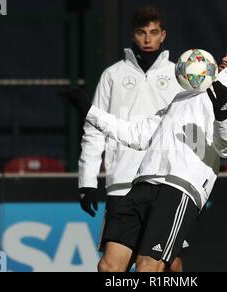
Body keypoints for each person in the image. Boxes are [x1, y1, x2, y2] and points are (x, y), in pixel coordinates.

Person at [64, 41, 227, 272]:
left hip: (179, 188)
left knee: (148, 268)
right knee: (108, 267)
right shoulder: (184, 95)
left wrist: (223, 114)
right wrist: (89, 111)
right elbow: (137, 134)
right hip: (143, 182)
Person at [74, 6, 185, 271]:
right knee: (110, 268)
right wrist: (87, 181)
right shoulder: (113, 75)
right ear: (132, 35)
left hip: (166, 182)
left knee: (168, 265)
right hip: (122, 182)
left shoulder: (179, 76)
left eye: (153, 32)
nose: (148, 39)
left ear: (163, 35)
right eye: (141, 32)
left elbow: (189, 130)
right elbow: (94, 129)